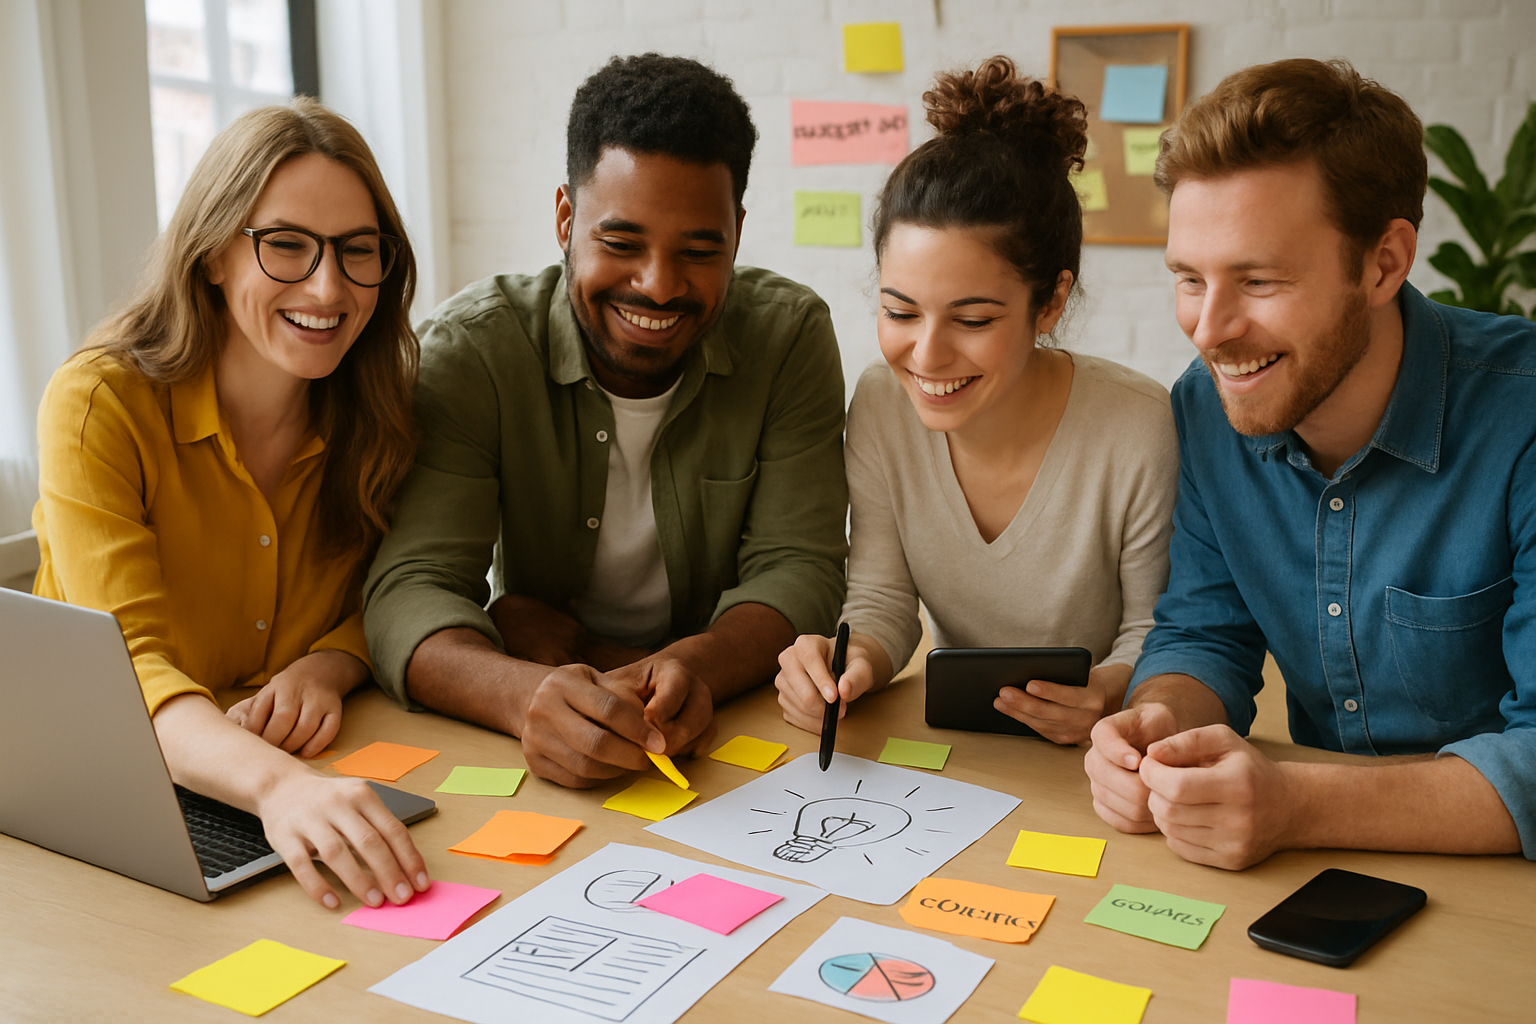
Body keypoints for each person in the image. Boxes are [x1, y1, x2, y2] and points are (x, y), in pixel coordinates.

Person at [1085, 58, 1536, 868]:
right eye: (1189, 278)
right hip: (1311, 866)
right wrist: (1158, 718)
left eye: (1258, 280)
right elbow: (1203, 632)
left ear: (1383, 264)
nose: (1209, 330)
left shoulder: (1524, 415)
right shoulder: (1207, 402)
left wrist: (1294, 802)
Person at [363, 53, 848, 788]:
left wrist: (690, 666)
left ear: (738, 234)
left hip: (727, 737)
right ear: (566, 217)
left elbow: (802, 567)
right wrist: (523, 696)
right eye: (621, 244)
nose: (657, 285)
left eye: (698, 250)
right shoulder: (473, 350)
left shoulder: (790, 337)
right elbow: (411, 588)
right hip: (539, 723)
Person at [32, 99, 431, 909]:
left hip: (302, 778)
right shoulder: (98, 403)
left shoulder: (384, 410)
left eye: (358, 251)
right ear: (212, 253)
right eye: (286, 245)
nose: (328, 287)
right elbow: (129, 672)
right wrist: (282, 787)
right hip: (111, 793)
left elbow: (394, 593)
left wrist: (329, 665)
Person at [774, 57, 1179, 744]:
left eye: (972, 321)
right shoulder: (881, 400)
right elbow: (882, 599)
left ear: (1049, 302)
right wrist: (848, 664)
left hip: (1106, 755)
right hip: (960, 753)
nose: (927, 357)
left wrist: (1106, 692)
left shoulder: (1137, 426)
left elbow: (1159, 630)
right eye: (901, 312)